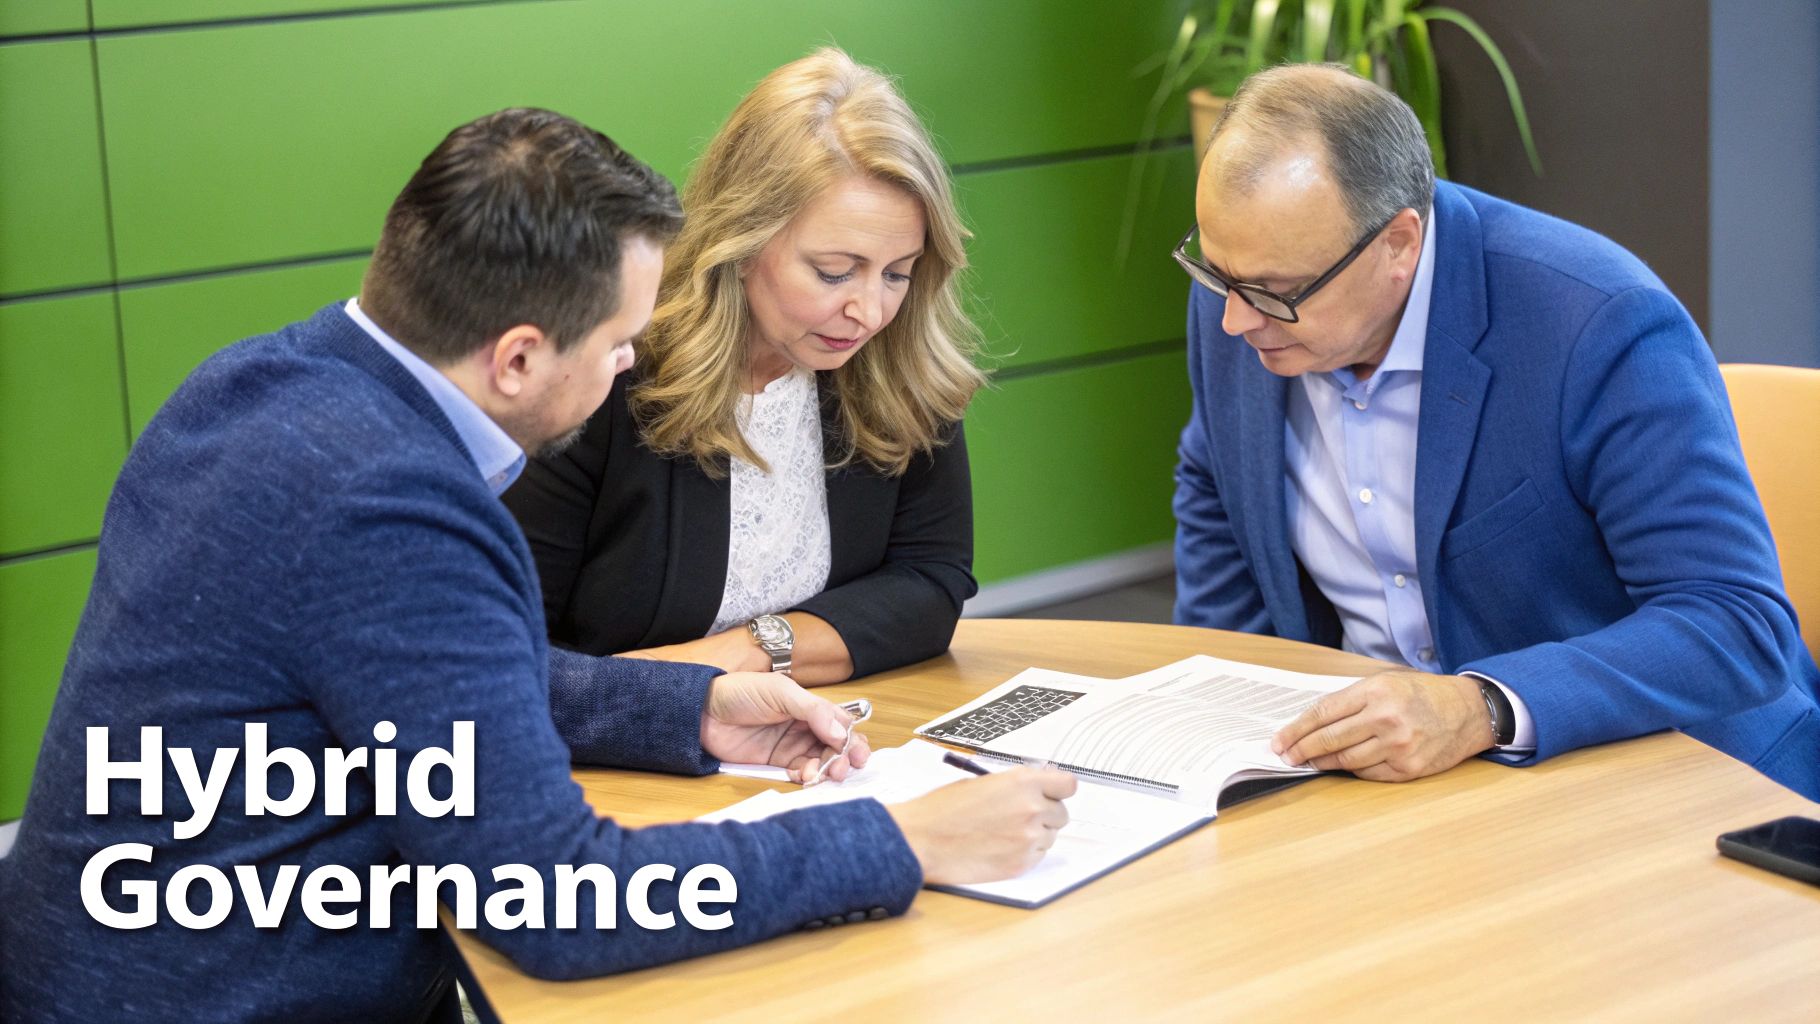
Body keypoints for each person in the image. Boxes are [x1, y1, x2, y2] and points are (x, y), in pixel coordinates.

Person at [0, 108, 1075, 1023]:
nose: (628, 366)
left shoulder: (259, 386)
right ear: (518, 355)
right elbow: (557, 900)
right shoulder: (397, 508)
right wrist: (897, 840)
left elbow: (411, 677)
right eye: (619, 345)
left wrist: (681, 706)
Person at [1171, 64, 1820, 798]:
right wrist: (1224, 710)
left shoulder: (1594, 323)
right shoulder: (1250, 295)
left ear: (1399, 245)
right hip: (1392, 785)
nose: (1235, 319)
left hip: (1666, 775)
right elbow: (1219, 477)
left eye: (1274, 292)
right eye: (1217, 276)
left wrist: (1482, 707)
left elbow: (1735, 624)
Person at [504, 48, 985, 685]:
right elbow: (506, 646)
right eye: (834, 271)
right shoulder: (602, 372)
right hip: (606, 762)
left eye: (898, 273)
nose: (869, 312)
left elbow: (930, 584)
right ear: (740, 241)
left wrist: (752, 651)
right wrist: (677, 701)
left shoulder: (899, 363)